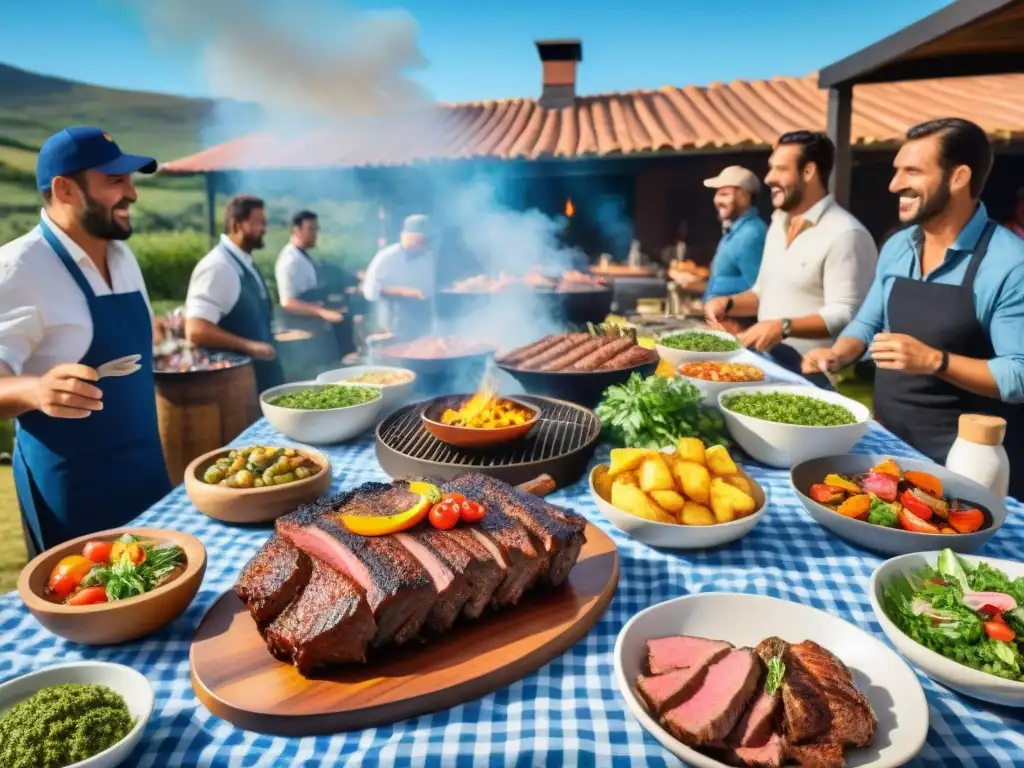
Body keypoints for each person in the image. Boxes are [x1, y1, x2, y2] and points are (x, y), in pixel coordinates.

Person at [803, 118, 1024, 497]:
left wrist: (935, 361)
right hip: (888, 449)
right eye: (896, 170)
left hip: (966, 469)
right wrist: (838, 353)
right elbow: (868, 322)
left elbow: (1018, 374)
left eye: (912, 171)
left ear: (958, 178)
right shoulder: (898, 246)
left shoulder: (1009, 263)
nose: (894, 185)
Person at [0, 127, 171, 557]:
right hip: (75, 502)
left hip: (149, 480)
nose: (131, 194)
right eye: (115, 181)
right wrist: (36, 390)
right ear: (65, 189)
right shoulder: (18, 268)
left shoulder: (122, 255)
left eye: (130, 180)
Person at [704, 131, 877, 387]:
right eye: (771, 167)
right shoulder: (777, 224)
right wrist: (727, 304)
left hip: (814, 376)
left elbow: (849, 314)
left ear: (808, 171)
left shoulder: (846, 233)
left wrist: (783, 326)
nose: (769, 178)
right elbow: (763, 293)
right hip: (769, 365)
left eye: (780, 169)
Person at [184, 195, 283, 393]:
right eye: (258, 223)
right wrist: (250, 346)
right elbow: (196, 330)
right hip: (235, 386)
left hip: (260, 379)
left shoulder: (243, 262)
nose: (264, 229)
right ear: (236, 225)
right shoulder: (217, 267)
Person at [672, 165, 767, 299]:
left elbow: (756, 286)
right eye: (717, 194)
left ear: (744, 197)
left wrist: (706, 284)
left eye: (724, 194)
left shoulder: (751, 234)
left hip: (736, 320)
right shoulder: (736, 231)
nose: (716, 200)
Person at [362, 214, 436, 340]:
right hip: (389, 326)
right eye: (423, 239)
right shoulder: (387, 257)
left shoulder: (428, 258)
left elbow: (429, 292)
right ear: (409, 237)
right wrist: (403, 292)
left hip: (421, 325)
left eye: (428, 240)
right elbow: (370, 292)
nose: (426, 244)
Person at [274, 210, 344, 328]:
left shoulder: (302, 256)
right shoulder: (290, 260)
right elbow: (288, 302)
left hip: (312, 325)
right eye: (311, 229)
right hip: (299, 328)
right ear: (296, 230)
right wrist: (321, 312)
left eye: (316, 229)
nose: (315, 234)